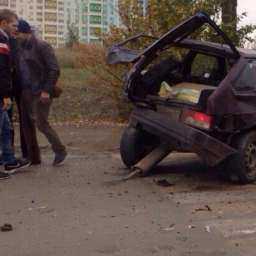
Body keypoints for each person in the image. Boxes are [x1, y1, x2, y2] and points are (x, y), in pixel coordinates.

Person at [16, 20, 67, 166]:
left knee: (41, 124)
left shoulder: (42, 45)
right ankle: (32, 158)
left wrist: (46, 90)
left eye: (18, 33)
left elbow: (54, 69)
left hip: (41, 91)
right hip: (26, 91)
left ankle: (60, 150)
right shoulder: (20, 46)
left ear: (26, 32)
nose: (16, 36)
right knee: (26, 125)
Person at [0, 10, 30, 179]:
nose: (16, 29)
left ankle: (9, 160)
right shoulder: (2, 40)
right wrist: (5, 95)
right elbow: (2, 70)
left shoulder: (7, 39)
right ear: (4, 23)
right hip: (2, 92)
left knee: (5, 128)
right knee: (2, 128)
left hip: (6, 90)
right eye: (14, 25)